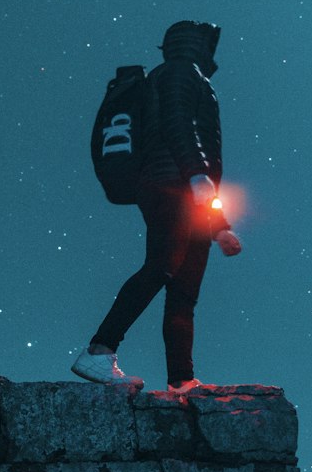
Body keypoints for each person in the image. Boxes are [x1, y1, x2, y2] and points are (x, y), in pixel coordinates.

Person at [71, 20, 242, 393]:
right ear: (195, 45)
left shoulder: (190, 75)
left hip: (190, 190)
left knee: (184, 289)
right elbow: (178, 124)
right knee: (162, 266)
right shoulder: (178, 73)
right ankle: (99, 350)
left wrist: (219, 225)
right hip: (170, 184)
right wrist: (197, 177)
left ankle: (181, 379)